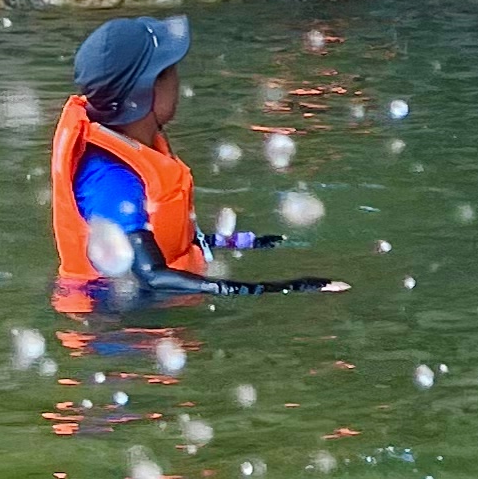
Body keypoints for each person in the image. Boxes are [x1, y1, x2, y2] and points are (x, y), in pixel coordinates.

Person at [46, 16, 338, 300]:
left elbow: (160, 235)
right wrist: (279, 289)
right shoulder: (112, 180)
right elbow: (150, 277)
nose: (178, 82)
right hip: (119, 328)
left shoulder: (138, 146)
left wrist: (231, 242)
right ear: (148, 90)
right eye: (171, 72)